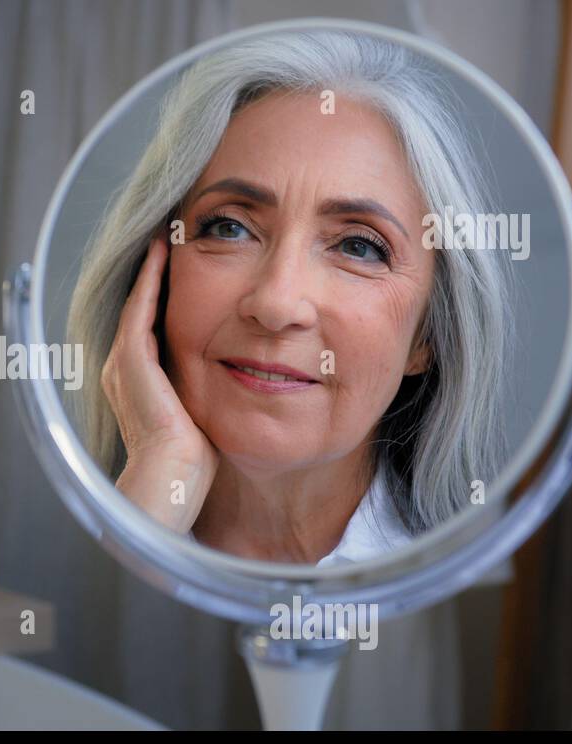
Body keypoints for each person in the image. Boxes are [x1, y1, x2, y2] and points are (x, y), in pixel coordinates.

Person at [68, 30, 513, 566]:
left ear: (426, 335)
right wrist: (161, 468)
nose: (277, 304)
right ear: (155, 276)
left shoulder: (454, 591)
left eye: (359, 247)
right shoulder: (64, 554)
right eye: (230, 228)